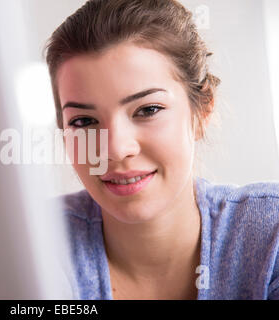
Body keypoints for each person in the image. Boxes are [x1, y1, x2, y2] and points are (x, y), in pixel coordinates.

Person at [44, 0, 279, 299]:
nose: (116, 149)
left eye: (147, 109)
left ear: (202, 111)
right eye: (84, 120)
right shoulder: (35, 244)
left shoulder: (270, 237)